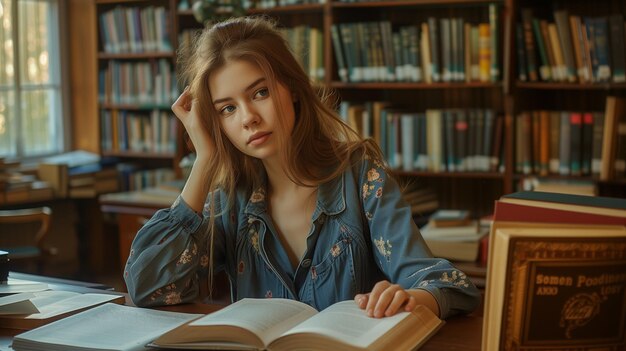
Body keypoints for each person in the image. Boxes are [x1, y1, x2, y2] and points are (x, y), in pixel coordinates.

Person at [124, 16, 481, 320]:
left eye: (259, 93)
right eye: (227, 109)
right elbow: (148, 288)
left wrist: (412, 299)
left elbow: (447, 283)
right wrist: (204, 162)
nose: (248, 118)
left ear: (292, 88)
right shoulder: (229, 200)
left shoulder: (359, 177)